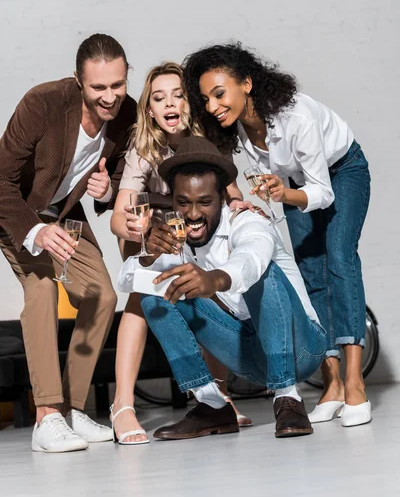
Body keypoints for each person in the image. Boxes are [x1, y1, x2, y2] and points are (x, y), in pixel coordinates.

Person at [182, 42, 371, 427]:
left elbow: (323, 191)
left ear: (247, 83)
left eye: (220, 94)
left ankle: (355, 384)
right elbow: (276, 184)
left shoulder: (296, 117)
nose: (214, 105)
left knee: (339, 259)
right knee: (309, 271)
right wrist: (260, 202)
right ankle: (332, 384)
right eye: (207, 99)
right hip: (294, 185)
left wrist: (283, 194)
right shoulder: (238, 127)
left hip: (341, 172)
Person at [118, 136, 327, 440]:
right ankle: (211, 404)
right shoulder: (173, 235)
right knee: (154, 293)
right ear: (173, 200)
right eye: (183, 202)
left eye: (204, 202)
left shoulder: (247, 221)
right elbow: (126, 280)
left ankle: (288, 397)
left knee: (264, 273)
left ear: (221, 199)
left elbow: (251, 259)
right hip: (249, 355)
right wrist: (149, 256)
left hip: (301, 349)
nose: (192, 214)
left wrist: (213, 279)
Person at [0, 33, 137, 452]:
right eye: (98, 88)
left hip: (65, 216)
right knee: (41, 290)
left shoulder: (127, 112)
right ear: (79, 81)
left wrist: (106, 189)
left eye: (117, 85)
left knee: (101, 295)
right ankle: (46, 415)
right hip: (20, 213)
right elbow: (0, 179)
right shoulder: (41, 103)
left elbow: (115, 175)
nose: (110, 97)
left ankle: (74, 408)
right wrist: (34, 230)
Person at [109, 63, 252, 445]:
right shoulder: (143, 149)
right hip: (153, 235)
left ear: (189, 103)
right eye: (159, 98)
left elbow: (232, 192)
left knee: (208, 293)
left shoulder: (206, 141)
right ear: (150, 110)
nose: (169, 103)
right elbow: (119, 218)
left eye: (177, 95)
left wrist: (240, 206)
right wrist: (135, 227)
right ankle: (122, 405)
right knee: (141, 296)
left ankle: (215, 396)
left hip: (195, 232)